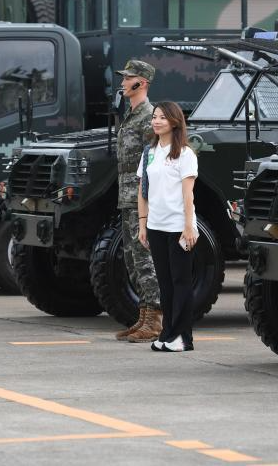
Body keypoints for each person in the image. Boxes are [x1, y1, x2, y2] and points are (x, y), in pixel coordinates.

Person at [137, 101, 198, 353]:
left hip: (178, 226)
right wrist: (143, 224)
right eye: (154, 117)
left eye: (162, 117)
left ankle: (182, 337)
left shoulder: (185, 154)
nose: (156, 121)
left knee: (181, 281)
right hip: (156, 225)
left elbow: (188, 195)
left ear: (174, 121)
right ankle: (168, 332)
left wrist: (188, 226)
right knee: (165, 283)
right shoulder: (150, 152)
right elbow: (143, 191)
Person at [113, 59, 162, 343]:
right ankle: (144, 316)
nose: (122, 83)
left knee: (144, 258)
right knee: (133, 258)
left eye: (127, 78)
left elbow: (152, 162)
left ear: (140, 83)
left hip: (141, 197)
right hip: (127, 196)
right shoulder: (131, 115)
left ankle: (155, 320)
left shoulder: (148, 117)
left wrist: (147, 199)